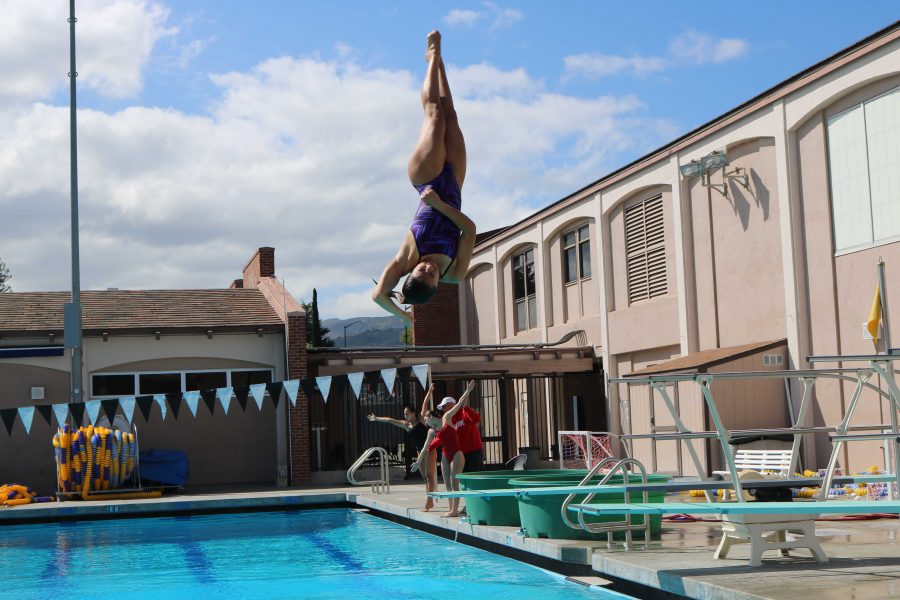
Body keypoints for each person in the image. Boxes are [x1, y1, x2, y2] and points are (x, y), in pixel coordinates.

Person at [372, 29, 476, 322]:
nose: (428, 267)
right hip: (453, 185)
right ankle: (439, 61)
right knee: (451, 114)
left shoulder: (405, 260)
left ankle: (431, 57)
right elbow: (470, 231)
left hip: (426, 178)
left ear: (411, 272)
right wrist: (441, 206)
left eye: (421, 271)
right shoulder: (454, 273)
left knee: (435, 115)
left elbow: (378, 295)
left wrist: (405, 317)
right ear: (436, 284)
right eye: (431, 274)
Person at [367, 385, 439, 510]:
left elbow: (425, 403)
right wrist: (377, 418)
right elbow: (390, 420)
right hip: (419, 452)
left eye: (407, 414)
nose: (405, 416)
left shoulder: (421, 420)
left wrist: (429, 391)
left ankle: (429, 501)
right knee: (425, 479)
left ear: (413, 413)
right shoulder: (406, 425)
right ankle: (430, 500)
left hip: (429, 450)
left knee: (430, 477)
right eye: (404, 414)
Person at [414, 380, 475, 517]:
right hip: (445, 456)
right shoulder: (431, 431)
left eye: (426, 418)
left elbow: (459, 403)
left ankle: (454, 510)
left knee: (454, 482)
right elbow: (425, 448)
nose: (426, 421)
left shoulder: (446, 418)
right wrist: (418, 462)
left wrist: (468, 390)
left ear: (431, 417)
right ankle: (451, 509)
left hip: (457, 454)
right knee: (447, 483)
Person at [437, 389, 484, 472]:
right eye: (443, 408)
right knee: (462, 478)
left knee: (474, 476)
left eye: (444, 406)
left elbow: (476, 419)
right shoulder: (447, 419)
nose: (443, 409)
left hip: (473, 451)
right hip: (459, 454)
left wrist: (465, 407)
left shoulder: (464, 412)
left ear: (452, 405)